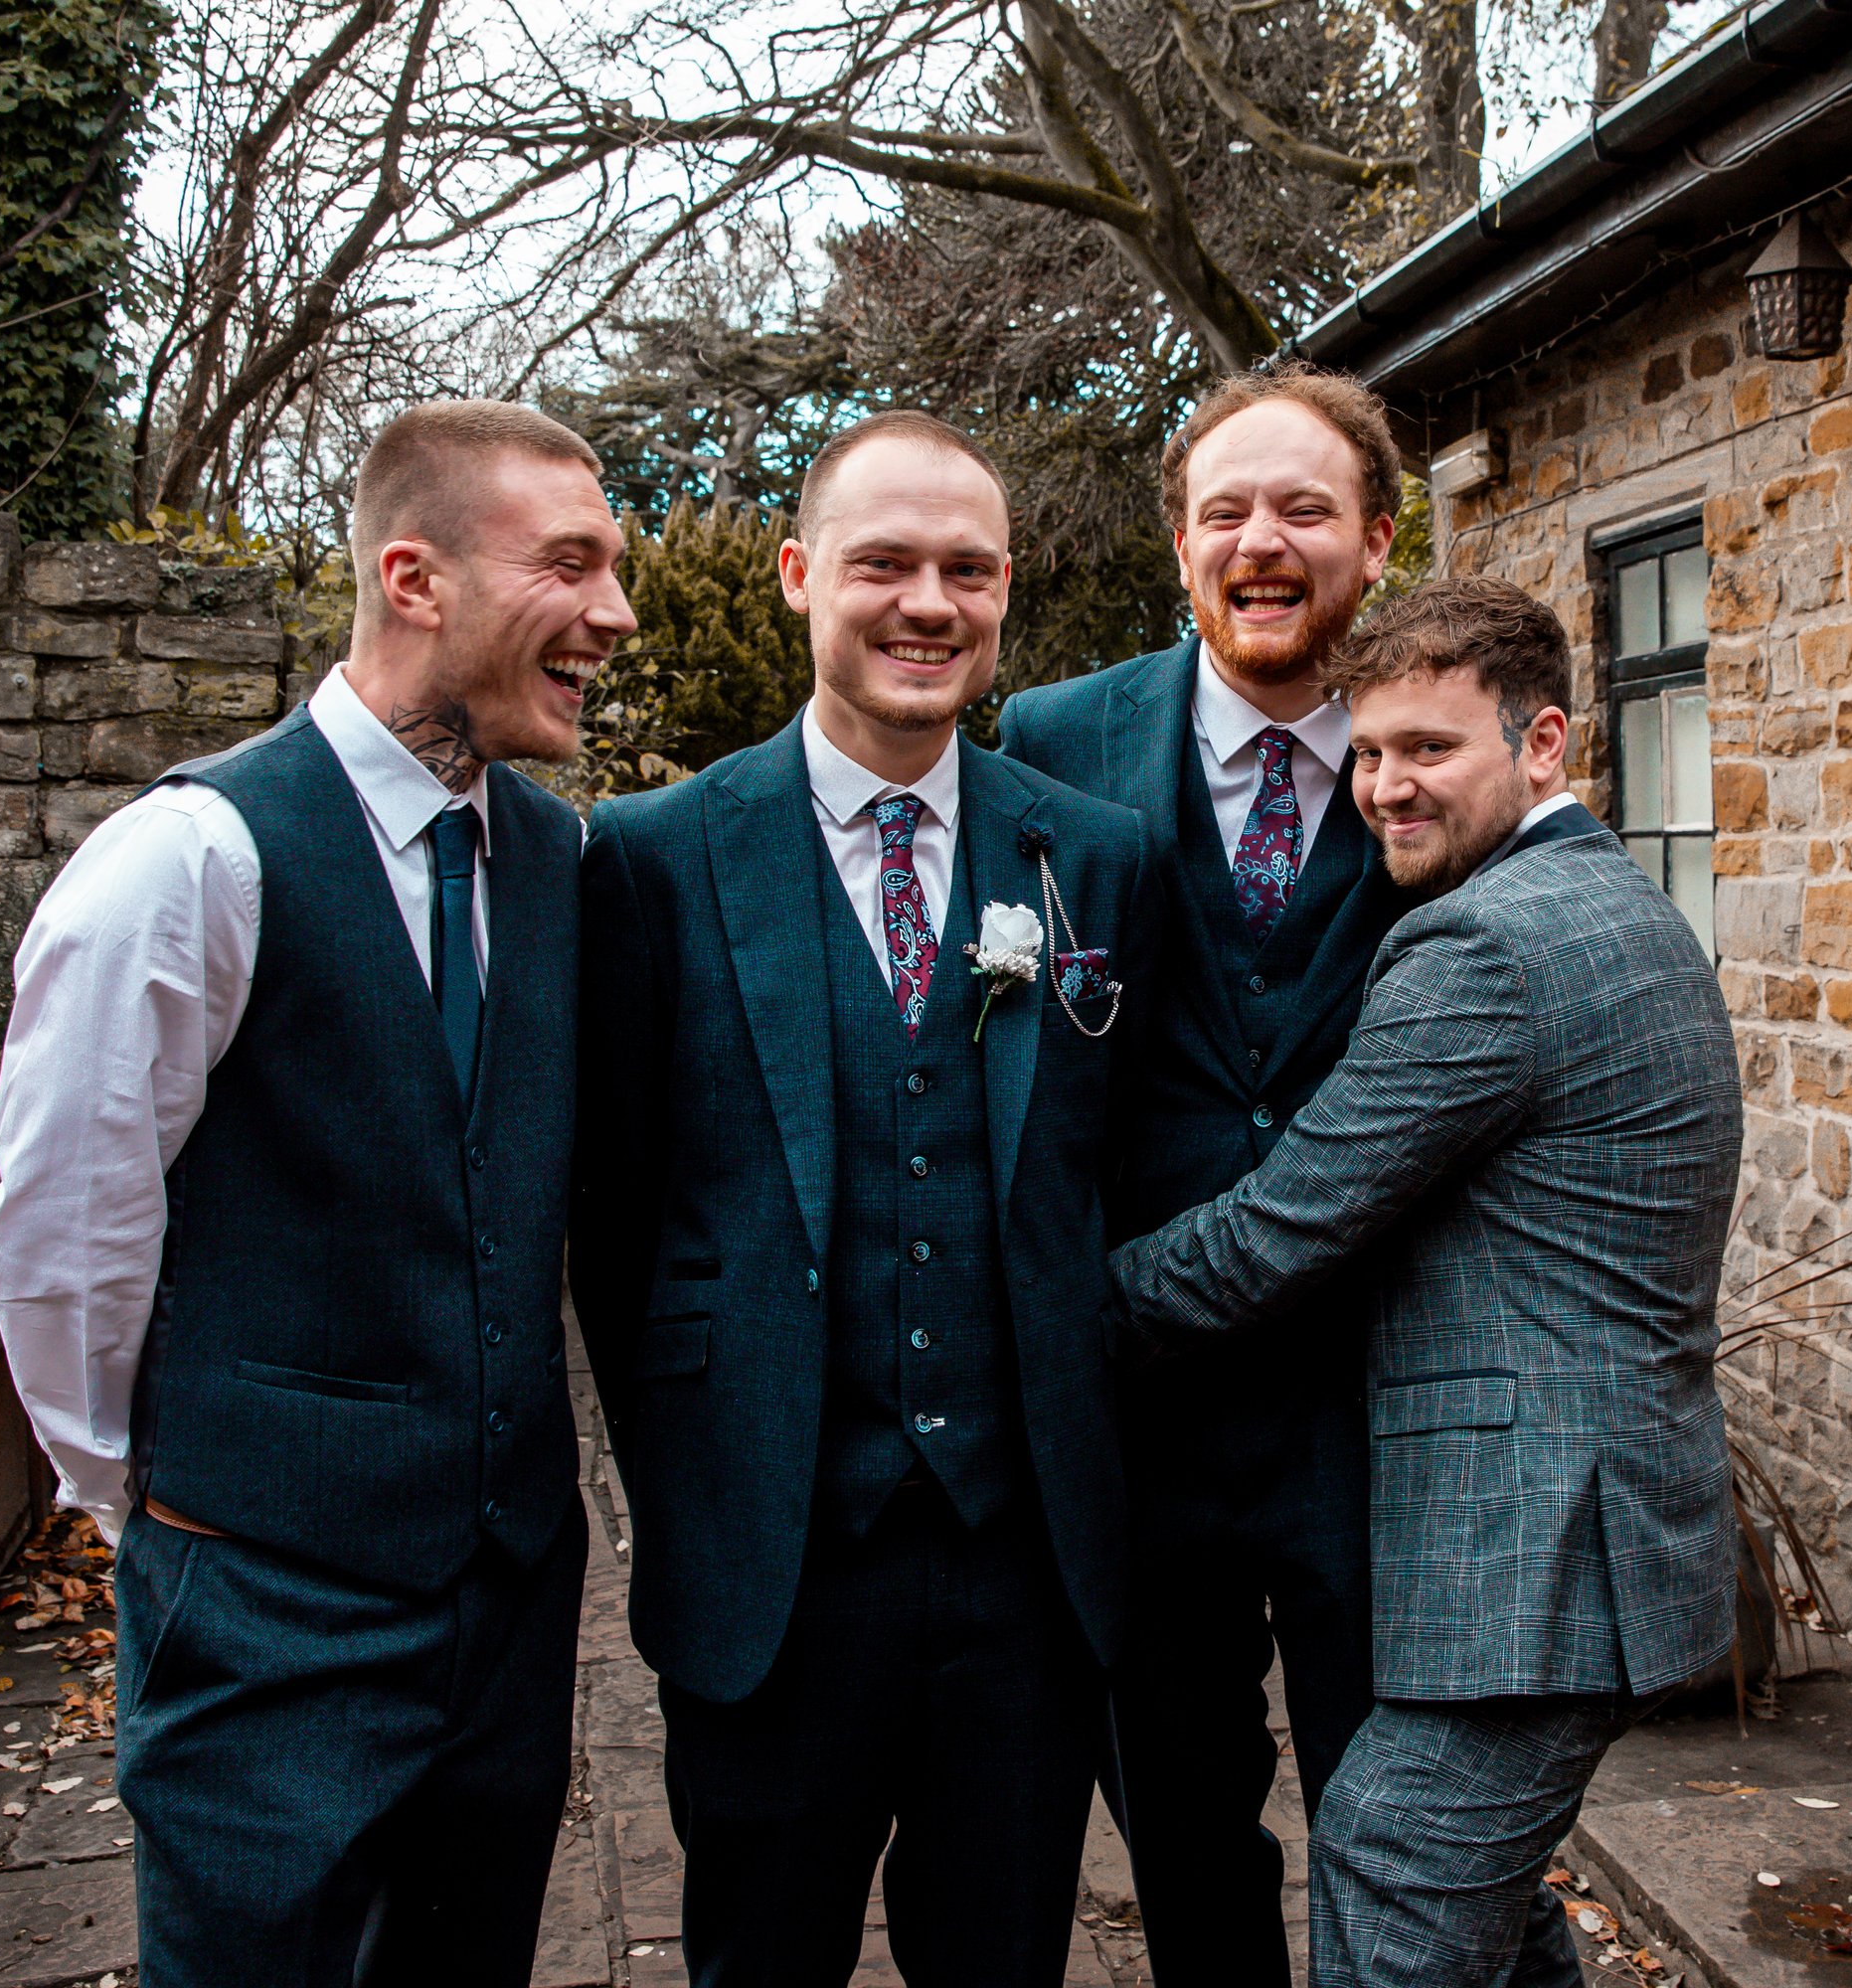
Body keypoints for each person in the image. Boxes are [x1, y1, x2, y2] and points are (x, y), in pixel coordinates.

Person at [0, 401, 636, 1987]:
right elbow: (66, 1231)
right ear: (415, 580)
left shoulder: (560, 867)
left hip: (507, 1604)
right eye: (573, 564)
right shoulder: (190, 860)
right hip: (260, 1602)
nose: (617, 613)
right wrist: (168, 1502)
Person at [571, 411, 1150, 1986]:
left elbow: (1113, 1176)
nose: (927, 603)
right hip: (773, 1569)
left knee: (1005, 1960)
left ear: (1006, 589)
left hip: (1024, 1575)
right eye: (883, 562)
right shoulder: (650, 857)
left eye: (967, 569)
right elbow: (612, 1229)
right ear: (795, 575)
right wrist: (704, 1474)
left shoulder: (1089, 860)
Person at [1107, 577, 1743, 1988]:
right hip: (1594, 1527)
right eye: (1373, 751)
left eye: (1431, 750)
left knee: (1392, 1853)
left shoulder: (1488, 947)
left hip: (1544, 1548)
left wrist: (1045, 1323)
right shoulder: (1595, 900)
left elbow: (1284, 1224)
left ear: (1543, 744)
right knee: (1493, 1912)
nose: (1389, 787)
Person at [996, 359, 1411, 1980]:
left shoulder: (1429, 739)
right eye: (1225, 510)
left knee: (1402, 1816)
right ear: (1179, 546)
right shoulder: (1051, 740)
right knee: (1177, 1821)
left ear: (1375, 541)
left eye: (1304, 507)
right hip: (1134, 1408)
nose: (1262, 539)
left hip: (1373, 1404)